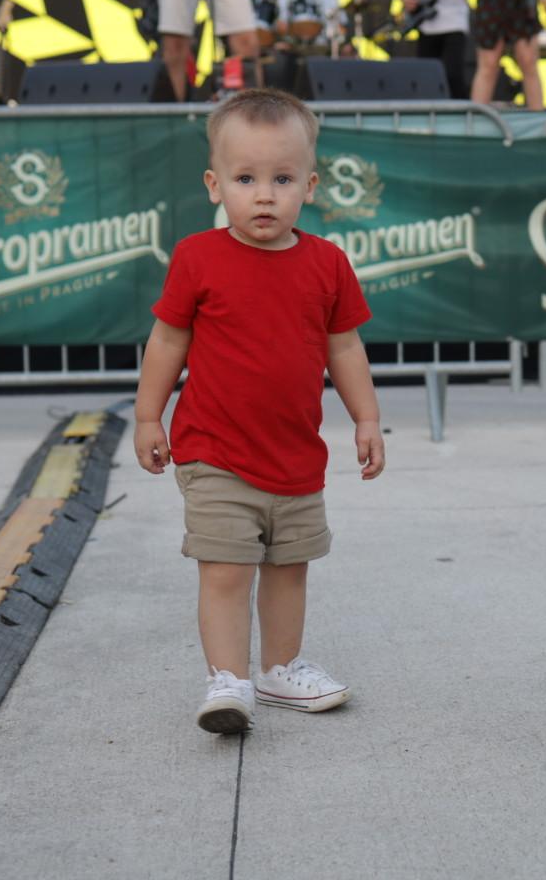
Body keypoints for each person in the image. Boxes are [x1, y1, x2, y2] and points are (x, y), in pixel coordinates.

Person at [133, 88, 386, 734]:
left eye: (282, 178)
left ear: (311, 184)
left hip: (296, 456)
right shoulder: (198, 257)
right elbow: (167, 341)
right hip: (214, 450)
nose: (265, 195)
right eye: (246, 179)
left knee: (288, 567)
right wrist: (146, 416)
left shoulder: (327, 263)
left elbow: (345, 347)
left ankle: (280, 668)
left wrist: (365, 418)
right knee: (226, 569)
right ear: (216, 185)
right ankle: (228, 679)